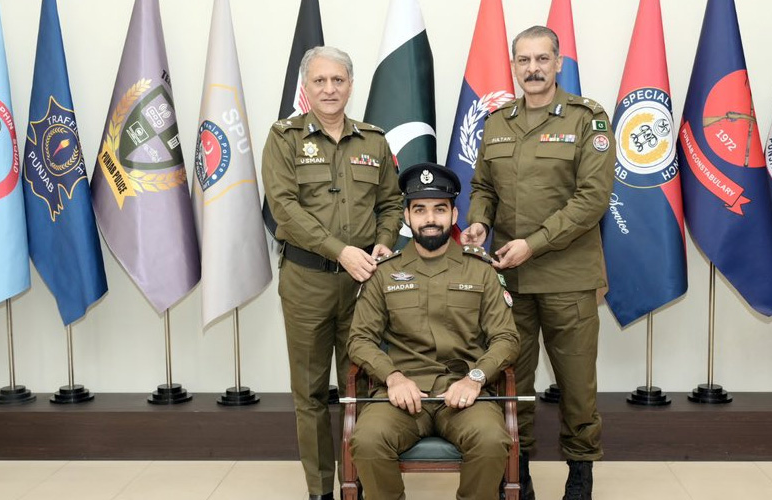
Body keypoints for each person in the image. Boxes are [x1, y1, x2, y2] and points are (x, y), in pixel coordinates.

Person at [461, 26, 615, 500]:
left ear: (558, 63)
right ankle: (519, 473)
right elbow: (483, 187)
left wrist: (534, 243)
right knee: (513, 382)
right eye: (524, 60)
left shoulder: (587, 118)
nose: (533, 69)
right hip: (509, 280)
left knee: (577, 386)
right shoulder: (498, 121)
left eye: (542, 59)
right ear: (514, 65)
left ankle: (580, 476)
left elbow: (592, 199)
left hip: (568, 276)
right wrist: (480, 222)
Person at [261, 46, 403, 500]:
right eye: (320, 81)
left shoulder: (373, 140)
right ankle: (321, 489)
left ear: (350, 85)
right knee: (311, 394)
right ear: (306, 87)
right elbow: (284, 208)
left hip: (364, 285)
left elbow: (392, 203)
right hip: (307, 282)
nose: (329, 89)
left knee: (360, 388)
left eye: (337, 80)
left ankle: (355, 483)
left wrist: (384, 240)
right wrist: (340, 251)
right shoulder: (284, 138)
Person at [348, 162, 520, 500]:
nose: (430, 218)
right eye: (420, 210)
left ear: (454, 215)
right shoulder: (384, 273)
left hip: (464, 393)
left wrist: (475, 378)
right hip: (401, 394)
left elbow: (507, 338)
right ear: (406, 217)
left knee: (491, 440)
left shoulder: (481, 270)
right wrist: (393, 377)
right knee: (366, 440)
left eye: (439, 209)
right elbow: (359, 339)